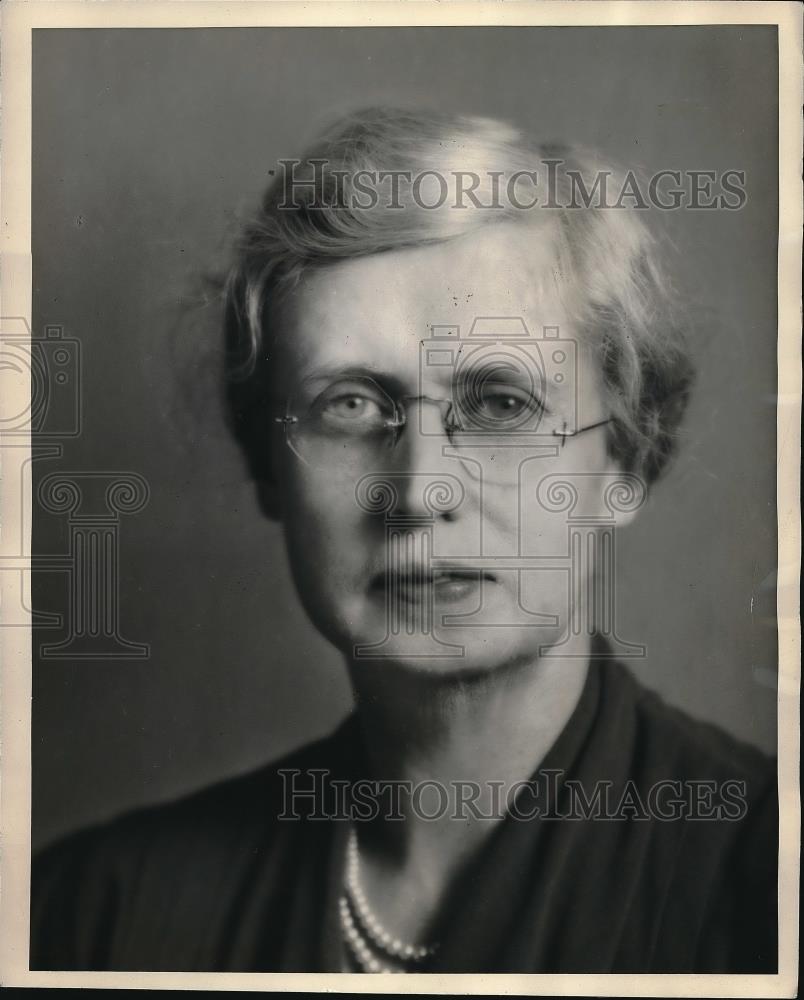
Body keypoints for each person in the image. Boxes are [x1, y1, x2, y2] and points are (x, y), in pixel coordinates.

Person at [30, 107, 777, 973]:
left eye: (501, 404)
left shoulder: (763, 883)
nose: (421, 493)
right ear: (268, 470)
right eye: (349, 405)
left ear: (627, 463)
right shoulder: (99, 917)